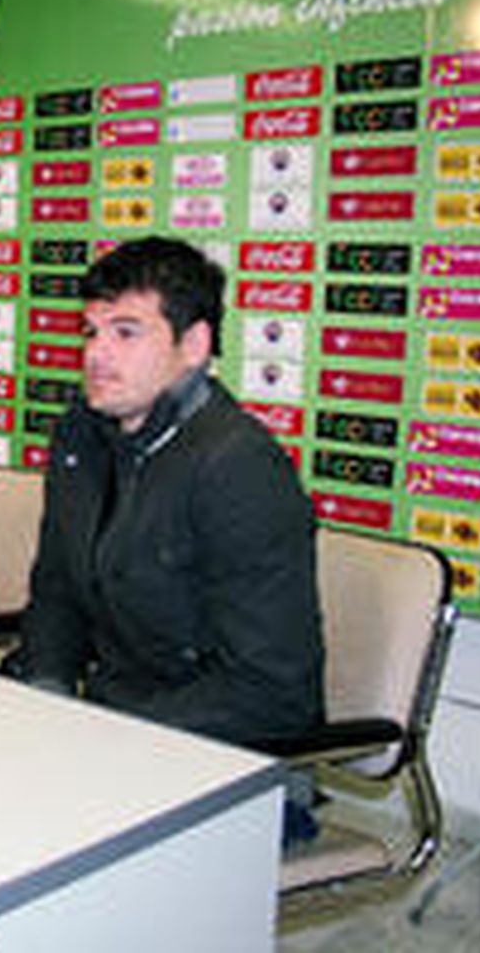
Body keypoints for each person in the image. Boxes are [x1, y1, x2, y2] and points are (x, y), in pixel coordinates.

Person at [21, 236, 324, 754]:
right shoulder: (81, 438)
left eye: (126, 333)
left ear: (193, 346)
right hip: (110, 727)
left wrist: (108, 740)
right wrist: (46, 696)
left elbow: (273, 692)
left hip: (223, 755)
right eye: (91, 332)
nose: (96, 353)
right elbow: (57, 594)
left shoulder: (239, 467)